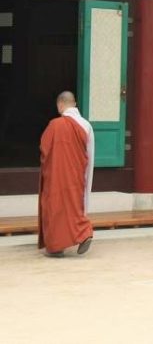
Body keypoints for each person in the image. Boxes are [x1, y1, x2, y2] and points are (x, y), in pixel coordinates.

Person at [38, 91, 94, 258]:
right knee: (75, 206)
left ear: (60, 105)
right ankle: (84, 233)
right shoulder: (86, 125)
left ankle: (56, 247)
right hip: (76, 176)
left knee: (54, 206)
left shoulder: (54, 125)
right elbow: (89, 156)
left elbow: (44, 149)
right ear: (74, 104)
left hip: (56, 175)